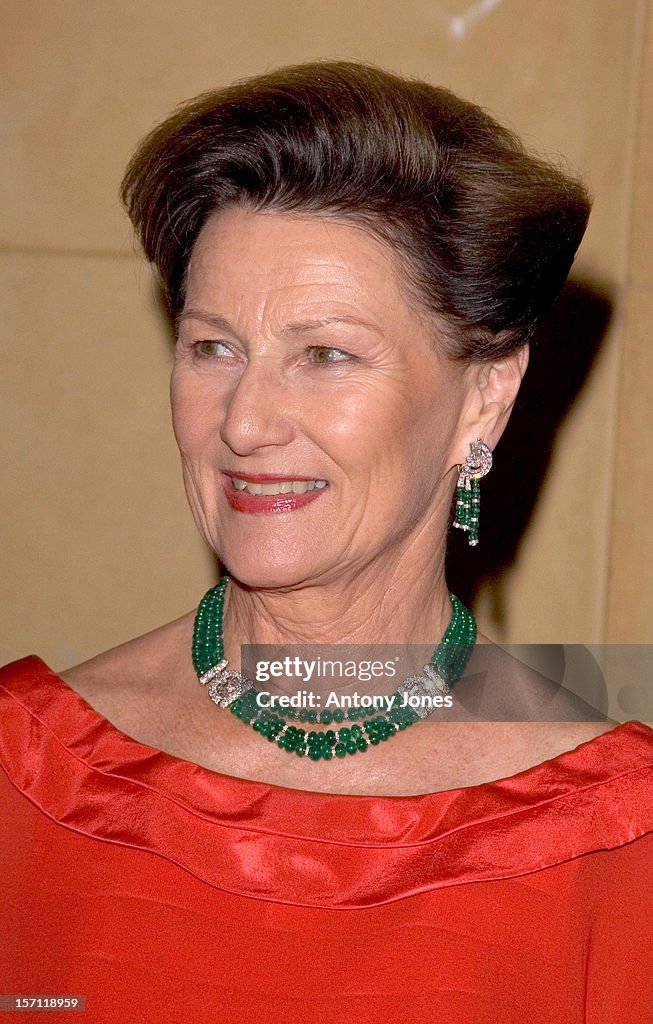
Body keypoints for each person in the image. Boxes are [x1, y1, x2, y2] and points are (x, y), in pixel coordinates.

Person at [1, 60, 652, 1023]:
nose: (245, 421)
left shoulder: (614, 844)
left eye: (326, 355)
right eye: (212, 346)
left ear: (486, 394)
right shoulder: (29, 778)